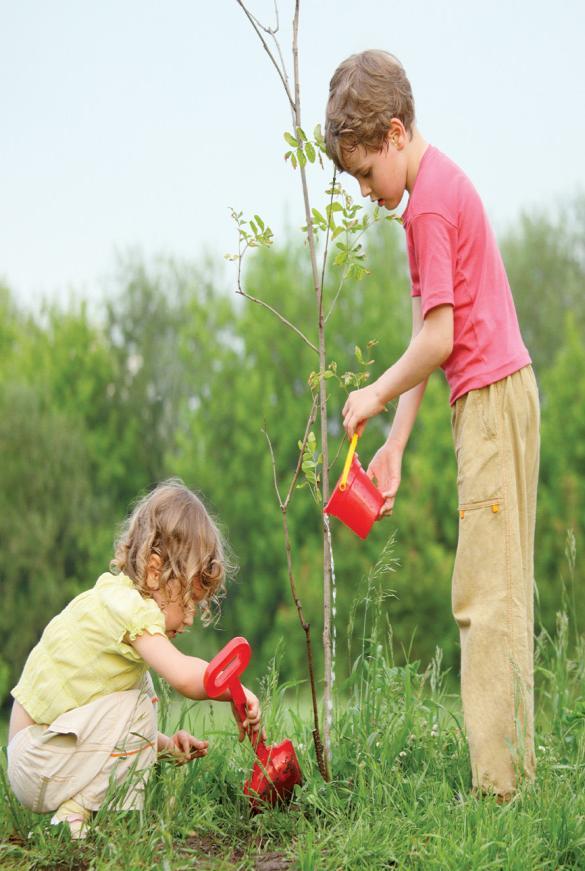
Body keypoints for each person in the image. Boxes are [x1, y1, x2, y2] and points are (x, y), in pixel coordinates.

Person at [325, 50, 539, 800]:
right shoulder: (430, 189)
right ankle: (512, 773)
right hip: (494, 395)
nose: (361, 191)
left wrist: (376, 393)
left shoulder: (425, 206)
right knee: (500, 584)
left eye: (361, 172)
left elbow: (439, 342)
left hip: (488, 401)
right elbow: (427, 320)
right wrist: (397, 441)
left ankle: (499, 786)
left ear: (392, 133)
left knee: (483, 594)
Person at [7, 479, 262, 838]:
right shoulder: (128, 609)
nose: (189, 618)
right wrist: (237, 692)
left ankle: (72, 819)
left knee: (140, 693)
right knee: (141, 701)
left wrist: (163, 746)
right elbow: (184, 676)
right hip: (36, 757)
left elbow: (104, 719)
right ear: (155, 572)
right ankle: (100, 822)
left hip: (41, 755)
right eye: (187, 601)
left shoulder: (117, 603)